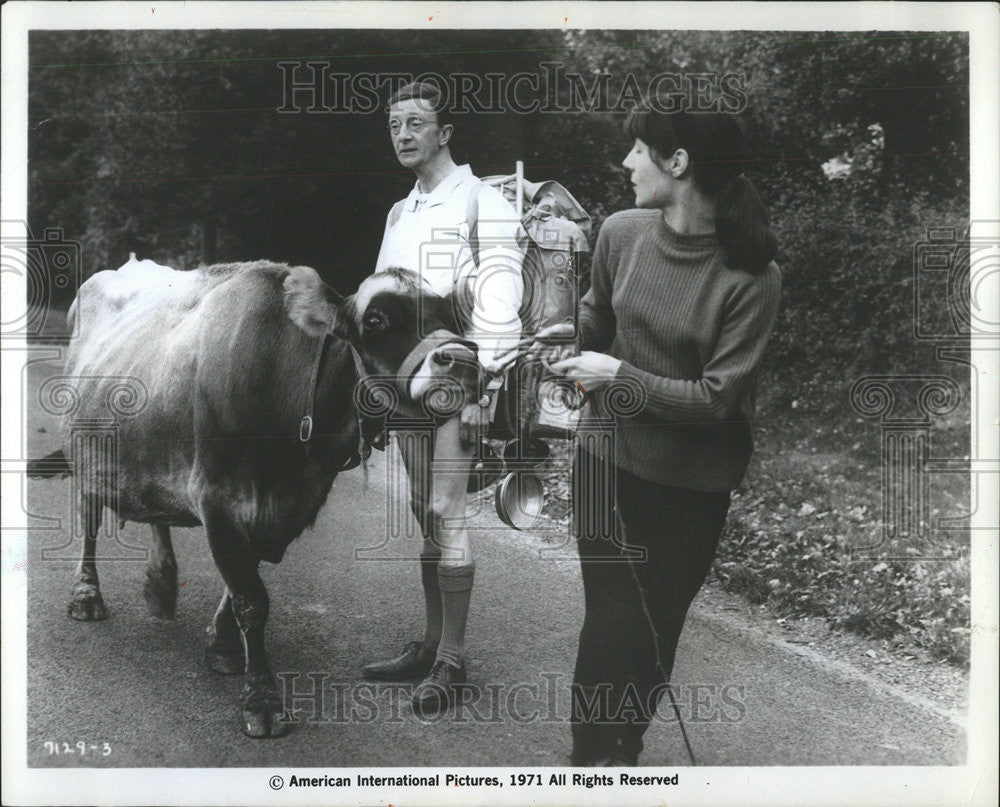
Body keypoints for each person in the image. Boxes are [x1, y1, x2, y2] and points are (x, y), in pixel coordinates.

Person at [538, 103, 781, 764]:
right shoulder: (619, 233)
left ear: (678, 163)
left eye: (638, 150)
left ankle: (624, 746)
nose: (626, 163)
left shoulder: (753, 277)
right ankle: (592, 761)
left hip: (690, 486)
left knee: (653, 633)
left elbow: (716, 401)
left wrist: (616, 374)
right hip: (603, 463)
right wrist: (554, 319)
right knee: (612, 623)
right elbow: (588, 331)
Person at [362, 81, 525, 714]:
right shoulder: (399, 215)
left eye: (415, 124)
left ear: (445, 133)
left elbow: (500, 306)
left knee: (446, 509)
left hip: (459, 381)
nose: (402, 134)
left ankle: (452, 659)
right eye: (394, 124)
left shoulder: (483, 203)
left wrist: (485, 388)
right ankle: (430, 644)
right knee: (427, 514)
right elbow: (378, 303)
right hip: (405, 387)